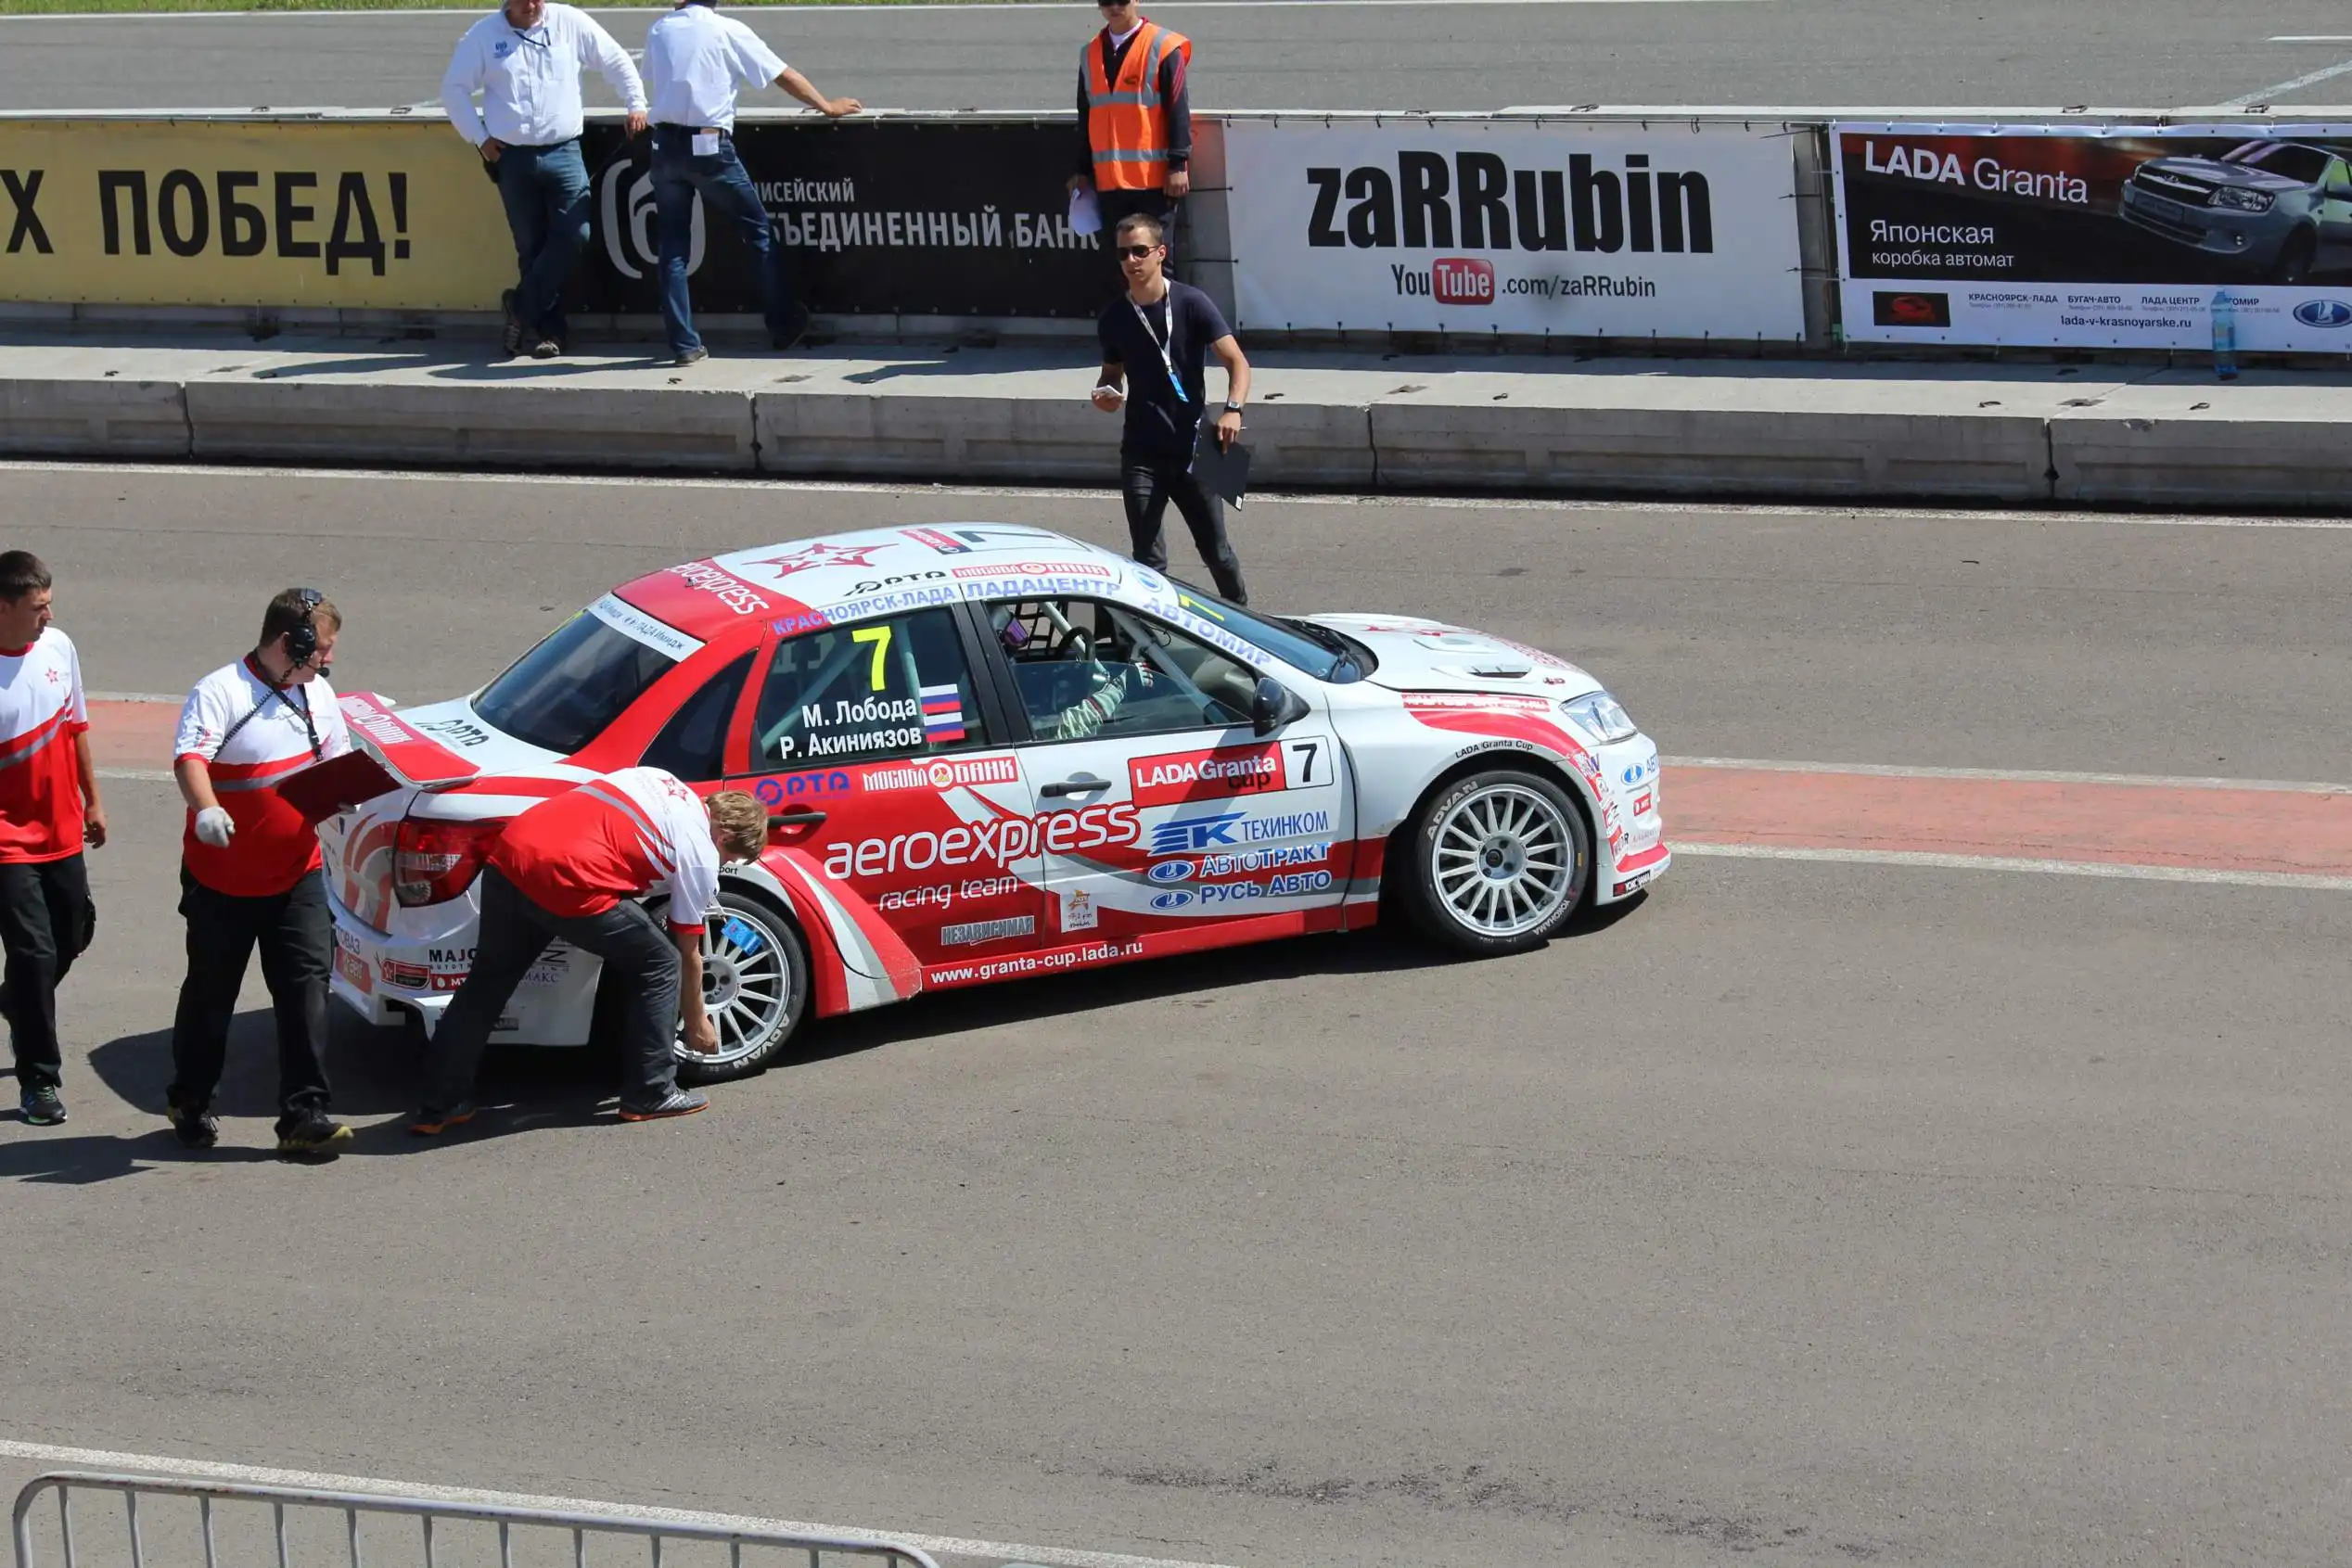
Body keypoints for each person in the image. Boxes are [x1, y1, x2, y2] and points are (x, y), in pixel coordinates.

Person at [409, 769, 770, 1134]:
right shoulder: (700, 851)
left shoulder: (662, 780)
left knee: (487, 984)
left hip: (512, 854)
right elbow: (688, 948)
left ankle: (440, 1105)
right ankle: (652, 1092)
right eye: (729, 857)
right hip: (569, 877)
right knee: (661, 962)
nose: (723, 864)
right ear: (724, 835)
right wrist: (697, 1022)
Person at [166, 590, 355, 1156]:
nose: (328, 659)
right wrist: (207, 809)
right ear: (290, 643)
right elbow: (190, 760)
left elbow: (336, 763)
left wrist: (346, 794)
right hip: (221, 882)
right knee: (211, 997)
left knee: (307, 991)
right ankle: (190, 1099)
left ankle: (304, 1115)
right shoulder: (221, 691)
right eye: (321, 648)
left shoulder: (318, 694)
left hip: (298, 876)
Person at [641, 0, 861, 367]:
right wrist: (827, 106)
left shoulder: (660, 28)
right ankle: (783, 324)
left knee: (672, 248)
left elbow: (658, 75)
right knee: (757, 231)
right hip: (708, 146)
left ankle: (684, 344)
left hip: (663, 145)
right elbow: (783, 75)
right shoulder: (728, 29)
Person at [442, 0, 648, 360]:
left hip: (564, 151)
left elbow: (614, 59)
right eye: (523, 0)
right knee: (531, 247)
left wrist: (636, 103)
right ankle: (550, 333)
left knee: (576, 233)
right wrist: (480, 138)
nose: (531, 5)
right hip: (512, 157)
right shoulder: (483, 35)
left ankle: (519, 307)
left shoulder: (569, 21)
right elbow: (454, 89)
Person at [1091, 211, 1252, 604]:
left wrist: (1233, 409)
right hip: (1141, 453)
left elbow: (1238, 363)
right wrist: (1106, 393)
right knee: (1148, 560)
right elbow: (1111, 374)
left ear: (1160, 253)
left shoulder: (1191, 303)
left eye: (1140, 251)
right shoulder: (1114, 317)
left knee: (1217, 553)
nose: (1131, 261)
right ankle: (1153, 632)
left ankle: (1245, 620)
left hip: (1193, 448)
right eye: (1123, 253)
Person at [0, 553, 103, 1128]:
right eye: (38, 607)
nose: (49, 616)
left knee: (73, 934)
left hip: (62, 829)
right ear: (4, 607)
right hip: (6, 842)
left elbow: (76, 727)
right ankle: (38, 1079)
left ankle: (18, 1000)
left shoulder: (59, 647)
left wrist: (93, 800)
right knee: (34, 954)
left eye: (49, 604)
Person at [1067, 0, 1192, 291]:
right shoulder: (1090, 53)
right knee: (1120, 266)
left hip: (1154, 182)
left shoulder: (1163, 46)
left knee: (1159, 265)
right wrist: (1082, 170)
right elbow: (1086, 116)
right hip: (1109, 184)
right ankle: (1132, 322)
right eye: (1106, 1)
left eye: (1121, 0)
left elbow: (1178, 111)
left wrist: (1178, 164)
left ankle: (1166, 321)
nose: (1114, 7)